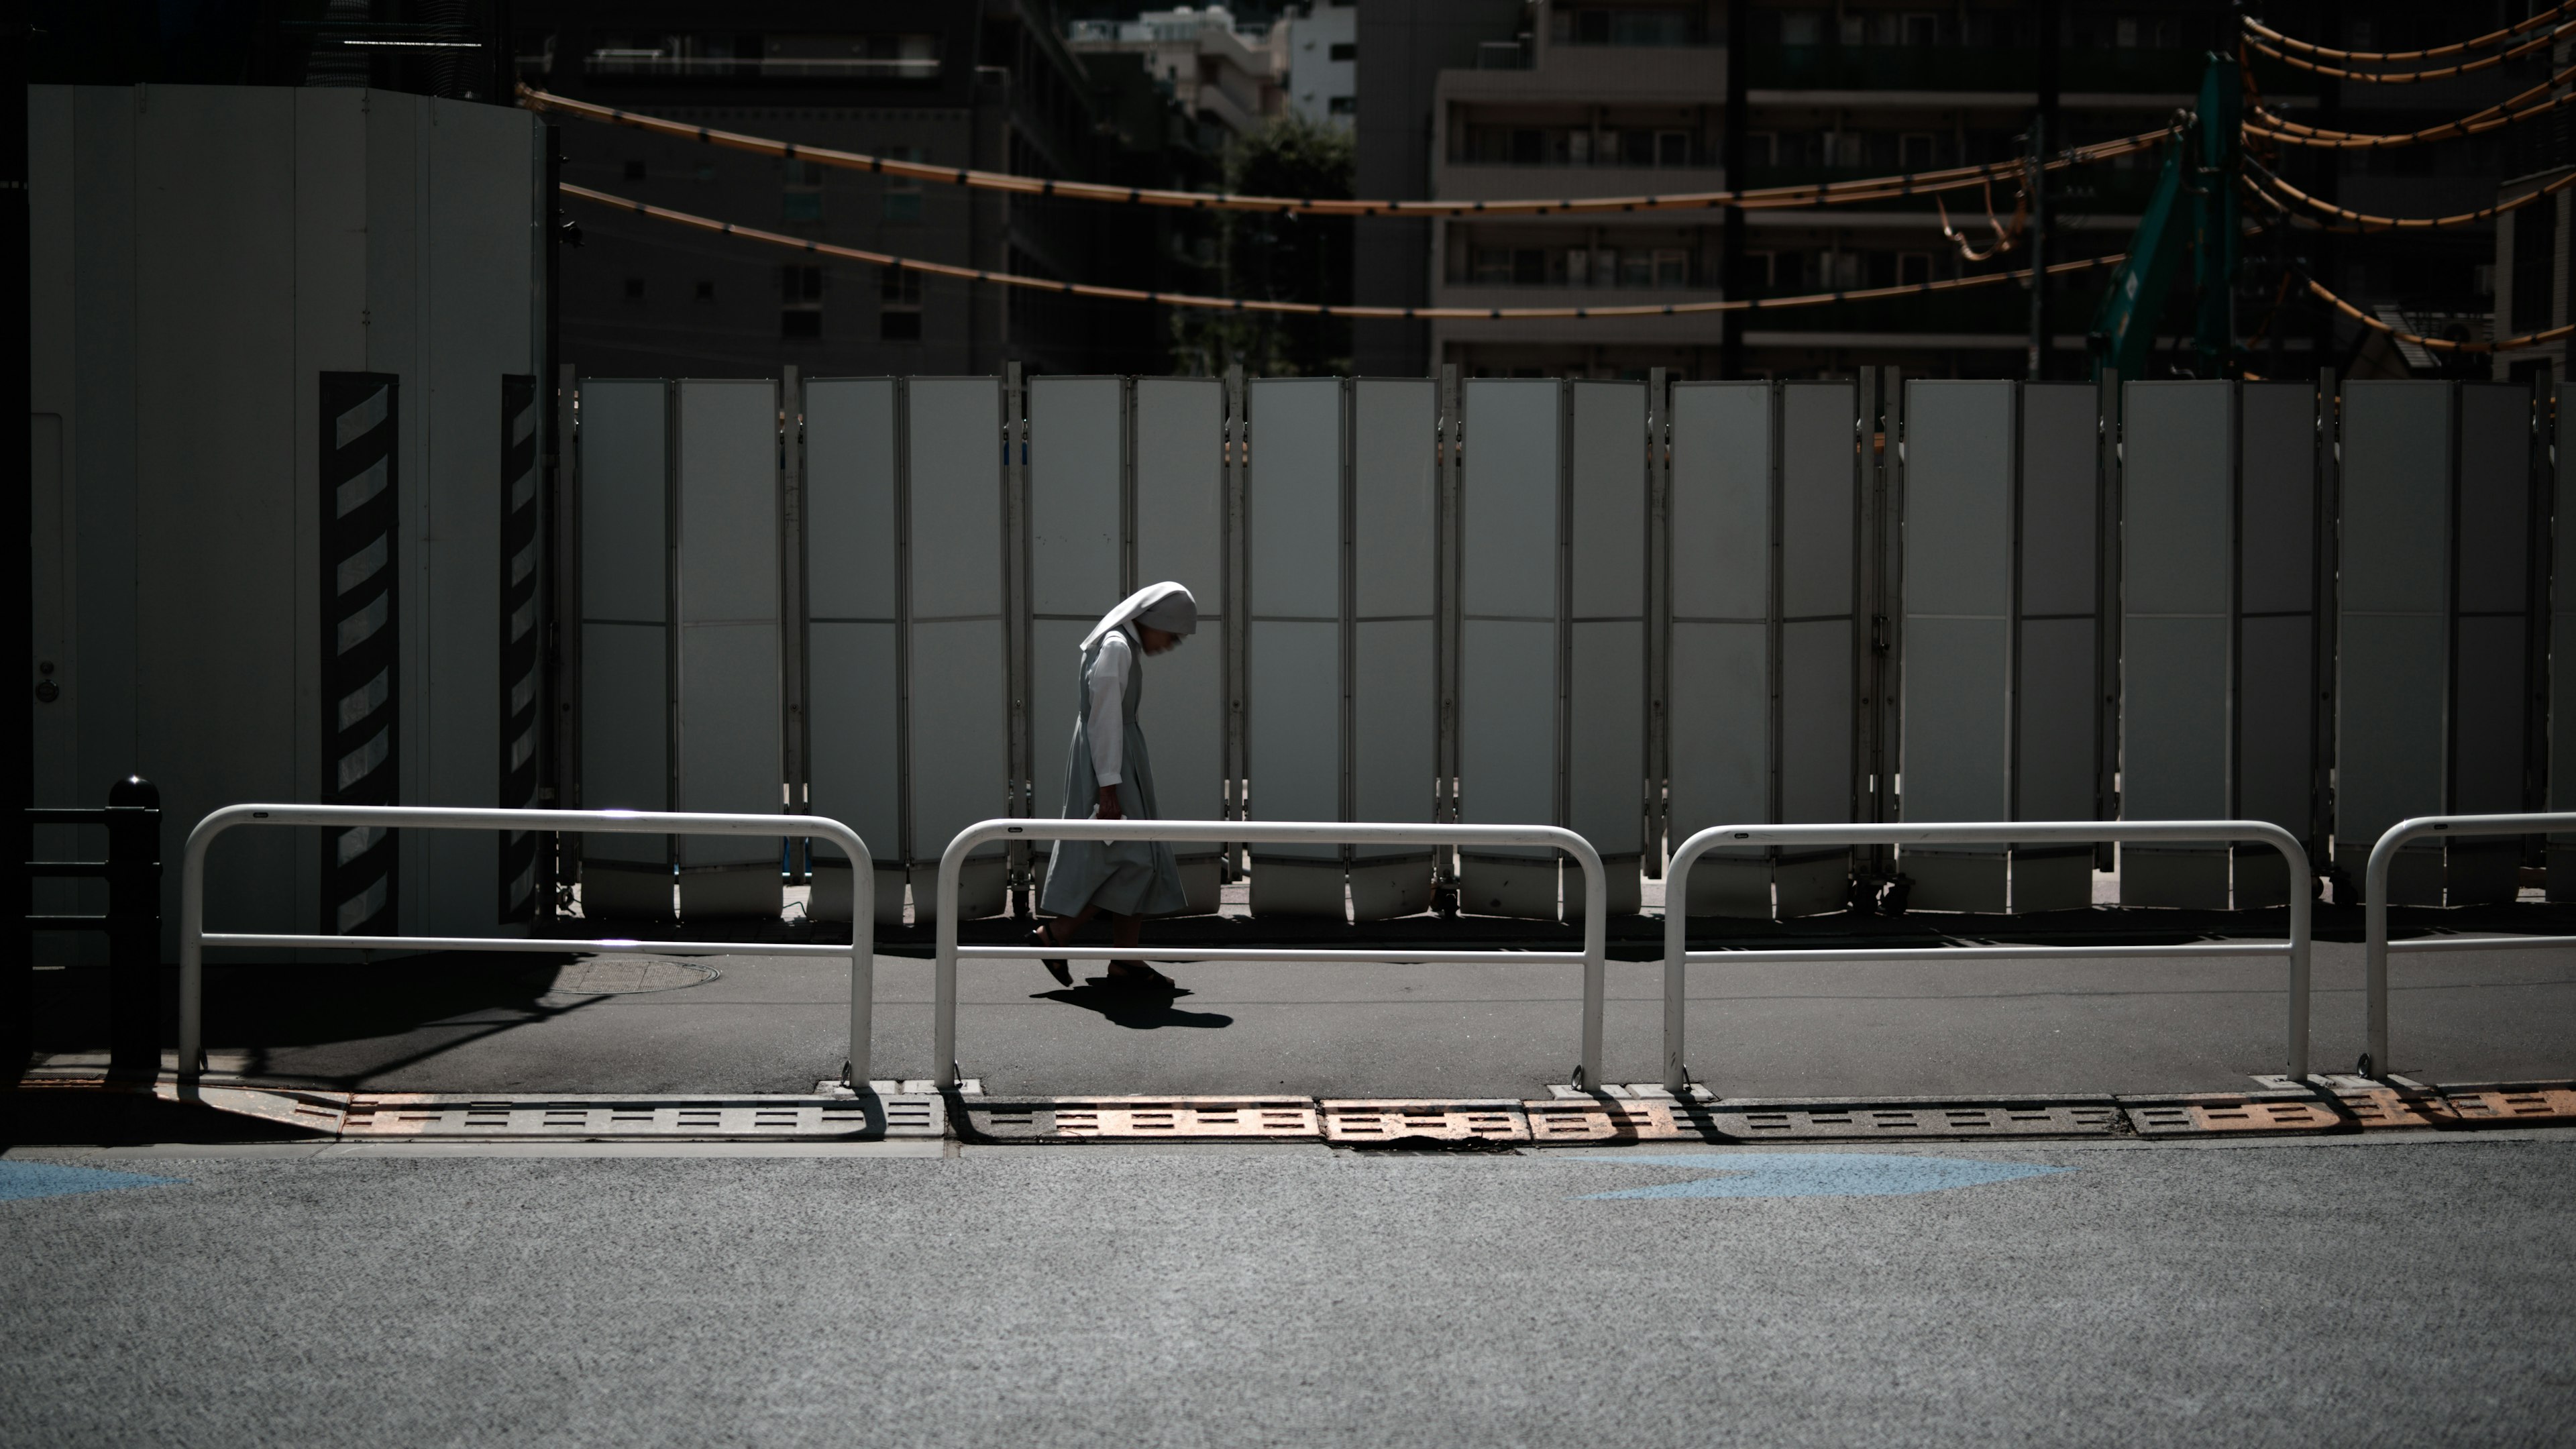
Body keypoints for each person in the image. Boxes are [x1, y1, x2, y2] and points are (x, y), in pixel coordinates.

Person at [1031, 581, 1197, 992]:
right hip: (1112, 762)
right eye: (1172, 634)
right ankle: (1060, 934)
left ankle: (1125, 958)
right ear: (1154, 620)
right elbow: (1104, 718)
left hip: (1116, 759)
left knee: (1133, 858)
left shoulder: (1119, 644)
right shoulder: (1117, 647)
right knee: (1134, 860)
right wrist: (1109, 788)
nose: (1171, 644)